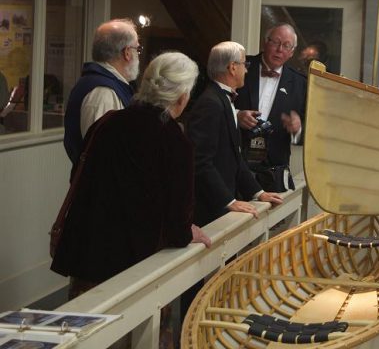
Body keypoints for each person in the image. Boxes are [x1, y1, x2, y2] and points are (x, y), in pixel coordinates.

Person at [50, 51, 211, 298]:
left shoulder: (107, 123)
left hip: (89, 253)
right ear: (182, 97)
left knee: (88, 329)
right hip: (139, 265)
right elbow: (178, 225)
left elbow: (81, 179)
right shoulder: (175, 142)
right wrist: (188, 231)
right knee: (139, 335)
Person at [186, 40, 284, 227]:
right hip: (209, 207)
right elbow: (200, 162)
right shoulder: (210, 103)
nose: (247, 70)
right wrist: (228, 201)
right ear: (232, 67)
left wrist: (258, 193)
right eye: (244, 64)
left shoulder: (223, 99)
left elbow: (235, 157)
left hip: (223, 201)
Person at [63, 19, 141, 165]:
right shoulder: (103, 92)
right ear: (127, 53)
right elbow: (102, 154)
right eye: (137, 49)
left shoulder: (104, 84)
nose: (138, 55)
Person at [236, 24, 307, 176]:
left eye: (286, 46)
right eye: (275, 42)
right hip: (235, 161)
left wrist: (297, 129)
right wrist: (236, 115)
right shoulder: (240, 67)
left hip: (273, 170)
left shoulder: (301, 84)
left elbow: (308, 131)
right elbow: (218, 101)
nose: (280, 49)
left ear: (292, 52)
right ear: (265, 42)